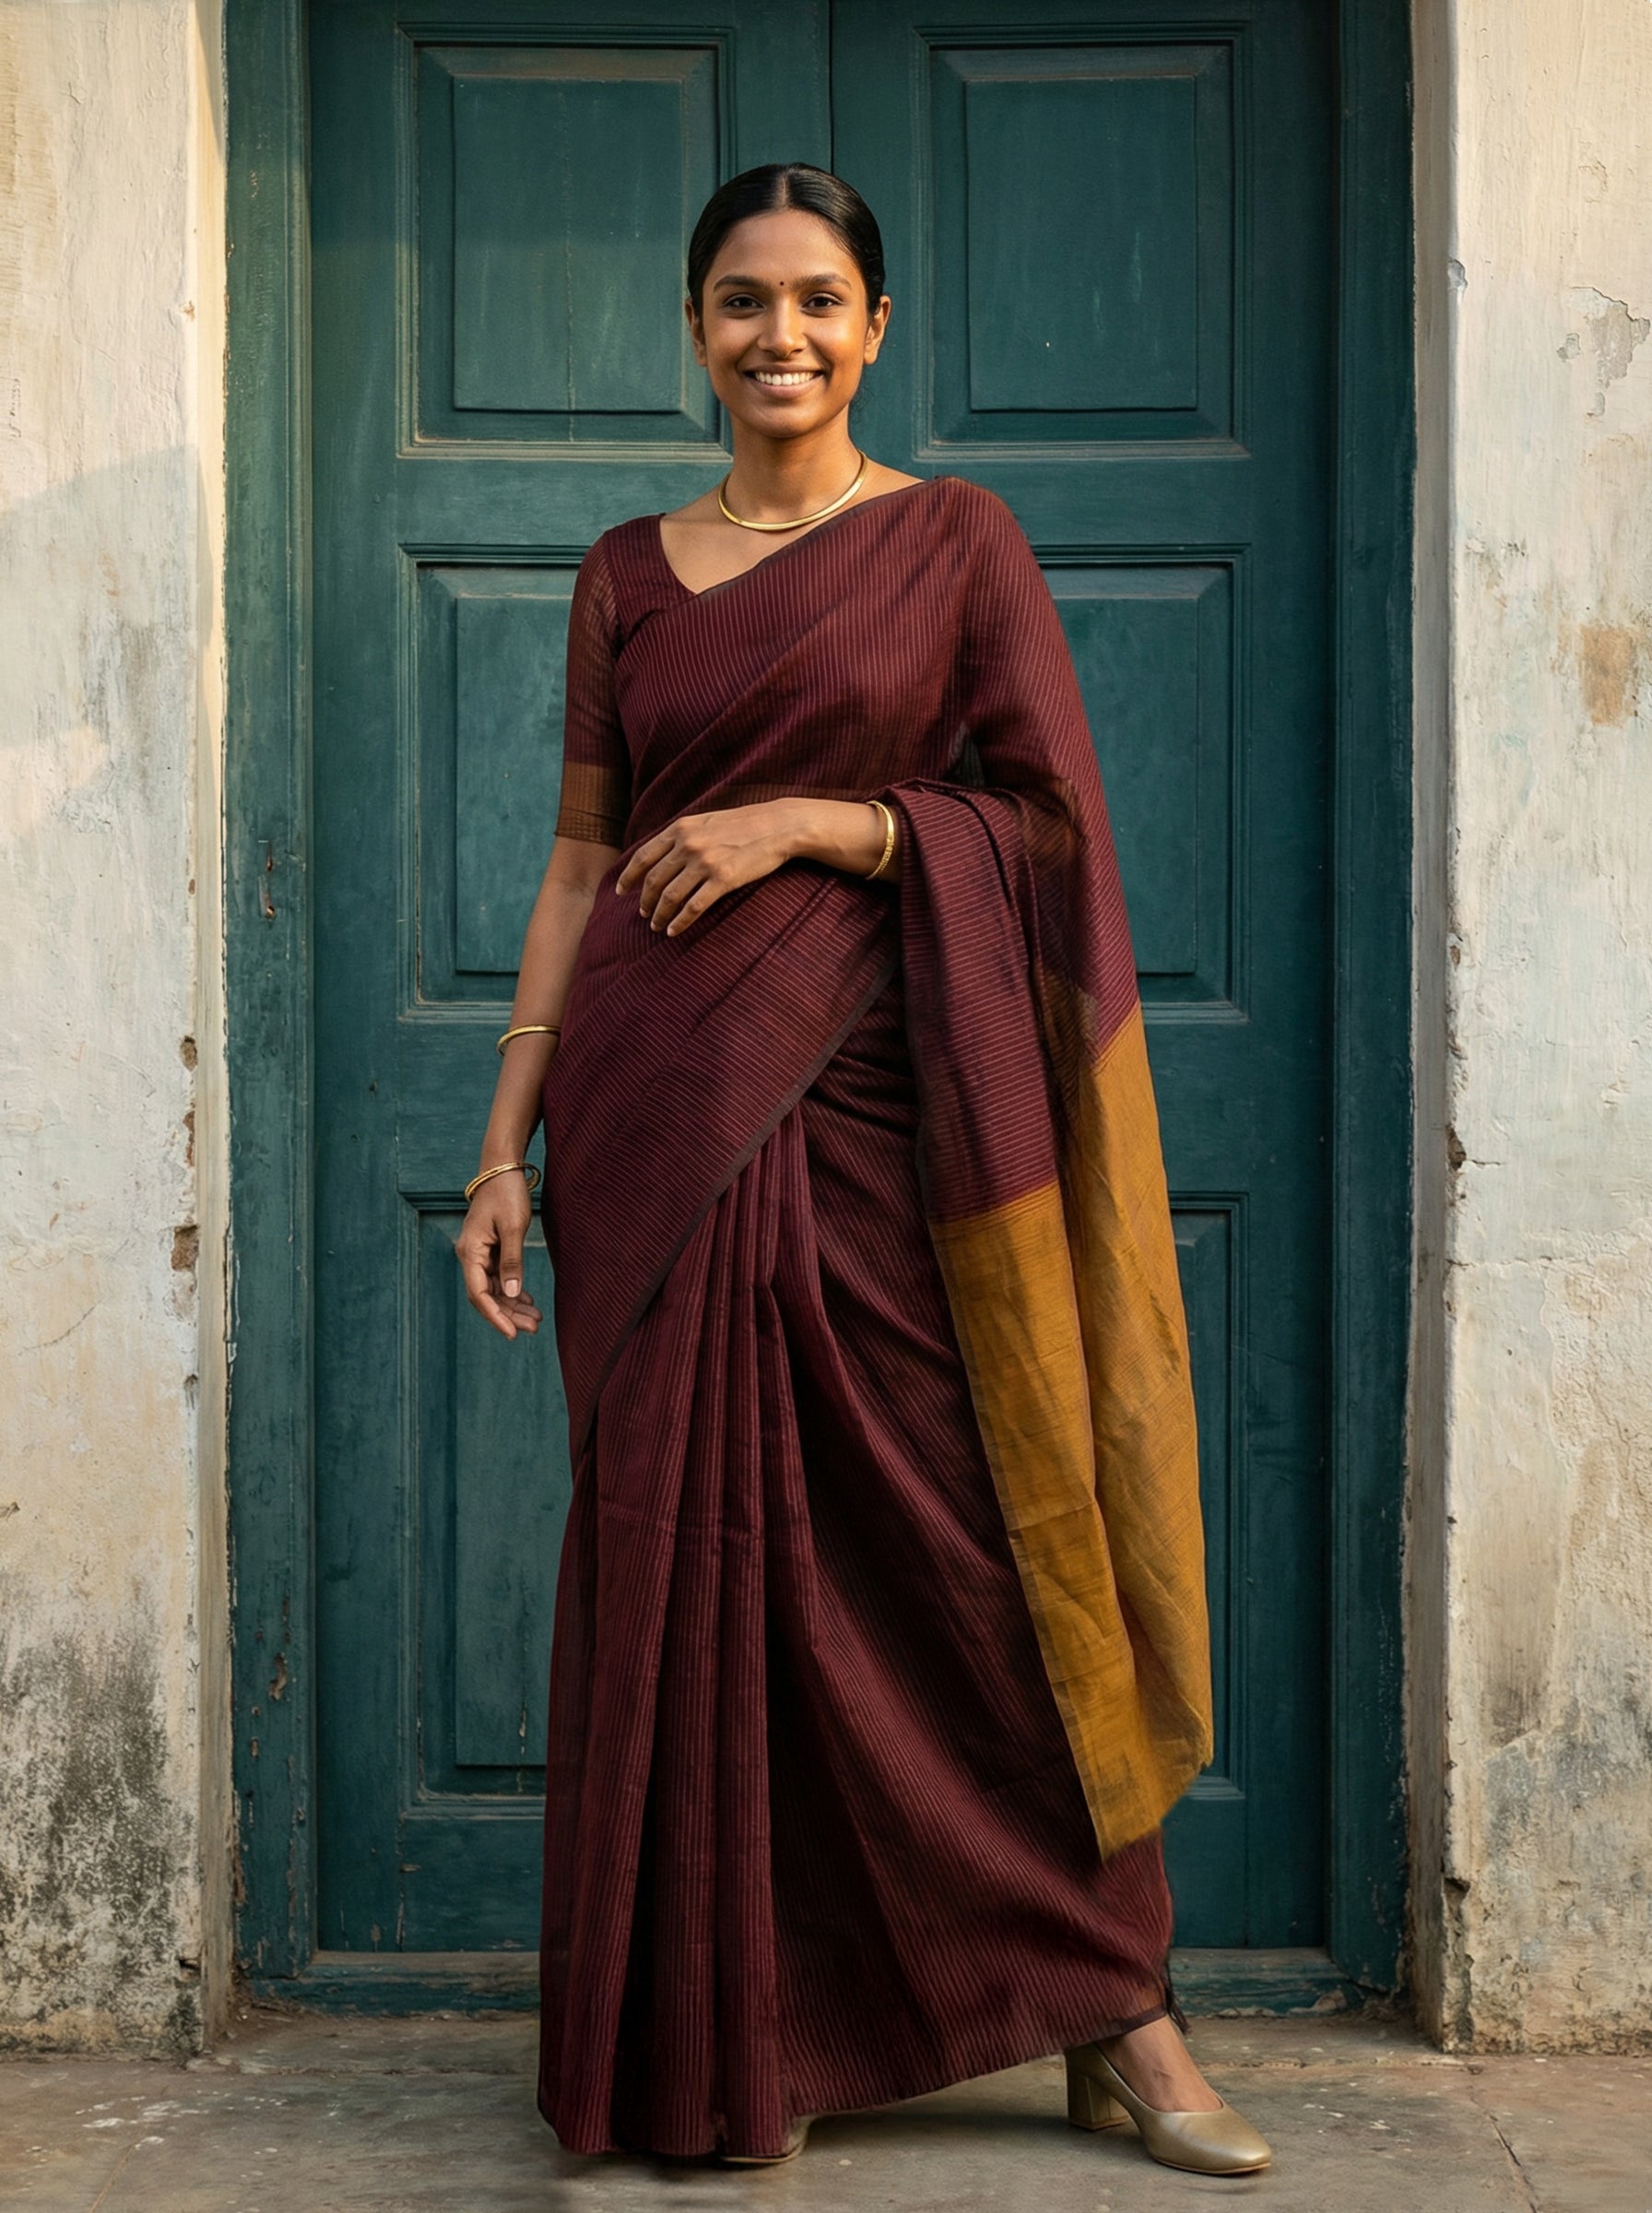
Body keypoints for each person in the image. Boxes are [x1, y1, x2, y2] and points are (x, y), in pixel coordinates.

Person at [455, 162, 1271, 2179]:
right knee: (689, 1574)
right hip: (648, 1130)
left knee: (966, 1568)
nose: (778, 339)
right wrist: (500, 1149)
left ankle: (1113, 2017)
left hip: (882, 1133)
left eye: (817, 301)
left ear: (877, 324)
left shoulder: (950, 543)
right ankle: (735, 2036)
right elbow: (577, 864)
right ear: (691, 327)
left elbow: (1043, 826)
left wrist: (816, 823)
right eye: (738, 303)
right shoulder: (625, 573)